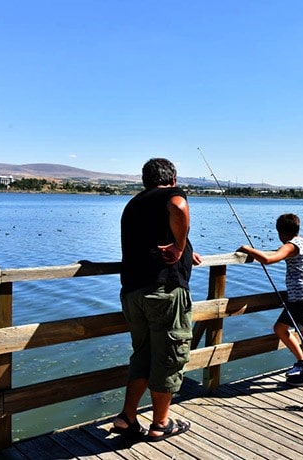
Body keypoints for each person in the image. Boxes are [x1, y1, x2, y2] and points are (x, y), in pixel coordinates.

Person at [112, 158, 202, 442]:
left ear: (144, 181)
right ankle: (160, 423)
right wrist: (178, 246)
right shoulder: (170, 196)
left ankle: (127, 416)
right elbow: (178, 207)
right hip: (163, 292)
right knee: (168, 357)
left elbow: (152, 235)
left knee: (143, 355)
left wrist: (186, 249)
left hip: (133, 292)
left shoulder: (134, 204)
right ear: (173, 178)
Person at [237, 213, 303, 387]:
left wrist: (247, 249)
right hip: (301, 295)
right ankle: (302, 362)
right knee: (280, 328)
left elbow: (268, 259)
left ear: (281, 233)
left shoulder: (291, 246)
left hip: (301, 297)